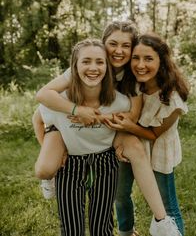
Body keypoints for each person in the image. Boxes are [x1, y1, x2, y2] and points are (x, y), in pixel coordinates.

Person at [35, 21, 182, 236]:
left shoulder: (132, 77)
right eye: (113, 44)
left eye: (126, 46)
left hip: (111, 125)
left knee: (135, 149)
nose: (119, 51)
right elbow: (41, 106)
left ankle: (161, 221)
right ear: (104, 44)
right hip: (70, 122)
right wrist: (77, 110)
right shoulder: (86, 64)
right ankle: (52, 175)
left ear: (133, 49)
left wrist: (94, 116)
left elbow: (129, 117)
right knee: (47, 168)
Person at [33, 39, 131, 236]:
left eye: (99, 62)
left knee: (102, 225)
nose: (93, 68)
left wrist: (120, 143)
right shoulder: (60, 100)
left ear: (108, 67)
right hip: (70, 165)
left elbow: (125, 127)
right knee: (71, 228)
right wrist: (53, 151)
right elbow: (38, 119)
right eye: (86, 61)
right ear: (74, 67)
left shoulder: (120, 102)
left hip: (105, 163)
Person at [105, 33, 189, 236]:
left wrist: (128, 127)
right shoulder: (130, 84)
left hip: (158, 149)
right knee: (120, 194)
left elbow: (153, 135)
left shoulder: (172, 99)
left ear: (162, 61)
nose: (140, 65)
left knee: (165, 204)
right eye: (136, 58)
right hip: (130, 144)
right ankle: (127, 232)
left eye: (148, 58)